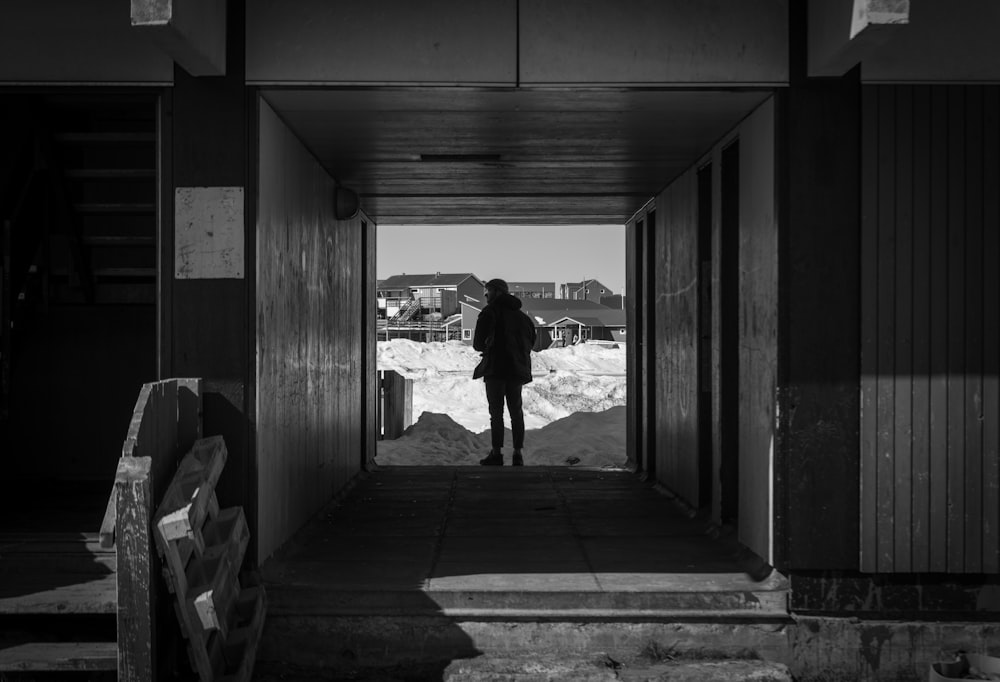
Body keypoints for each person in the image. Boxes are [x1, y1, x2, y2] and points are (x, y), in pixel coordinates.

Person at [473, 278, 537, 466]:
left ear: (497, 292)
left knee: (497, 413)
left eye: (488, 291)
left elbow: (477, 344)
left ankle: (496, 453)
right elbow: (531, 341)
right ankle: (518, 454)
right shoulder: (523, 318)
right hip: (517, 370)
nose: (485, 295)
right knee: (516, 412)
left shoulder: (489, 312)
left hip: (495, 369)